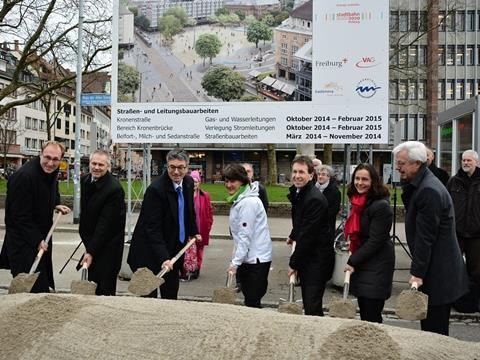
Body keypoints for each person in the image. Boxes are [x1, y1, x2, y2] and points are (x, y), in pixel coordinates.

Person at [393, 141, 468, 335]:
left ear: (417, 163)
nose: (397, 167)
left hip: (437, 275)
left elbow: (426, 238)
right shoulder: (423, 184)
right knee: (431, 330)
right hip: (436, 271)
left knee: (435, 333)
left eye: (401, 163)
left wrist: (417, 274)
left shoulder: (428, 190)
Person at [127, 148, 200, 299]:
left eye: (181, 167)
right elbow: (152, 229)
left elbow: (189, 211)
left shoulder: (188, 182)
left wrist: (194, 231)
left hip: (173, 248)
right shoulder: (155, 190)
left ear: (187, 167)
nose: (176, 172)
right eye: (172, 167)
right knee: (149, 298)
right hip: (149, 251)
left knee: (170, 294)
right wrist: (163, 258)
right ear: (167, 166)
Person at [0, 141, 71, 293]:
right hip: (23, 243)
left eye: (55, 159)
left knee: (42, 284)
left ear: (61, 159)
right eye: (47, 157)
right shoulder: (24, 177)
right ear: (40, 154)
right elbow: (18, 216)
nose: (51, 163)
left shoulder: (51, 170)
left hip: (40, 238)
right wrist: (37, 240)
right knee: (33, 289)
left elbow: (52, 188)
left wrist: (56, 204)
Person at [344, 164, 394, 323]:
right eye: (357, 178)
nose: (360, 183)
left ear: (374, 182)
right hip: (365, 262)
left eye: (365, 179)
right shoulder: (359, 202)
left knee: (371, 315)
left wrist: (352, 261)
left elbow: (375, 241)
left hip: (377, 265)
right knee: (365, 312)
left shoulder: (381, 207)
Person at [287, 156, 334, 316]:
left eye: (301, 172)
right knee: (309, 303)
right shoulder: (300, 193)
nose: (297, 176)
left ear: (311, 175)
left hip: (316, 260)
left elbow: (308, 235)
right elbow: (301, 222)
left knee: (312, 306)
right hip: (310, 258)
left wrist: (293, 264)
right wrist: (293, 235)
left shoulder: (314, 199)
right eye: (294, 171)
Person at [78, 150, 126, 296]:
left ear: (108, 167)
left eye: (101, 164)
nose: (96, 167)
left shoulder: (114, 189)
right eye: (94, 163)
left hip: (109, 246)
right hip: (92, 241)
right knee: (92, 283)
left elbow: (106, 225)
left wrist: (91, 251)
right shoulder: (85, 180)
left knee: (105, 287)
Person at [224, 163, 272, 308]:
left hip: (256, 259)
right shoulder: (240, 199)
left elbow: (245, 235)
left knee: (252, 301)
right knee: (250, 299)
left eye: (233, 181)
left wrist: (235, 263)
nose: (228, 185)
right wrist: (236, 255)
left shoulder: (248, 203)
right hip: (250, 258)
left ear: (242, 181)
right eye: (226, 181)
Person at [447, 150, 480, 289]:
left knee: (477, 271)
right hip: (457, 233)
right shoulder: (454, 181)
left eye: (469, 160)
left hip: (477, 235)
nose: (465, 163)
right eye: (464, 160)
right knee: (454, 267)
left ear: (476, 162)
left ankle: (475, 300)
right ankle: (456, 297)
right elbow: (446, 205)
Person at [186, 170, 213, 280]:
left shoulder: (204, 195)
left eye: (196, 181)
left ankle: (197, 269)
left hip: (201, 227)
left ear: (199, 182)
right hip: (189, 228)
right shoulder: (185, 193)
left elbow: (209, 211)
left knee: (199, 250)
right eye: (192, 181)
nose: (194, 183)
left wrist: (209, 224)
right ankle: (188, 269)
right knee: (189, 250)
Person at [315, 164, 341, 239]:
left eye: (323, 174)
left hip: (327, 228)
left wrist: (319, 216)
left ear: (329, 176)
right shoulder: (312, 189)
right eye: (319, 174)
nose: (320, 176)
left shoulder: (335, 192)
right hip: (312, 226)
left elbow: (334, 210)